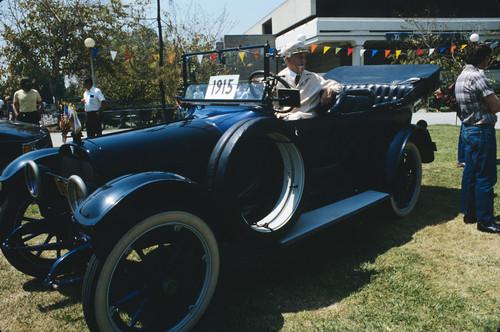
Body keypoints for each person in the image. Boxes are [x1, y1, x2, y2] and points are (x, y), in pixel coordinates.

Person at [456, 44, 500, 234]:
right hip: (482, 129)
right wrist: (488, 105)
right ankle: (486, 220)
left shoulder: (462, 76)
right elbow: (496, 105)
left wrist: (486, 105)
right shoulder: (479, 76)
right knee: (486, 176)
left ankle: (470, 213)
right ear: (483, 59)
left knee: (471, 173)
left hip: (468, 129)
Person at [275, 40, 343, 121]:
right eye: (300, 57)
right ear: (288, 60)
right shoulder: (278, 79)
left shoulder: (313, 77)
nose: (303, 61)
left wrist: (330, 90)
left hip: (307, 122)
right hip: (284, 120)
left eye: (304, 57)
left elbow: (338, 86)